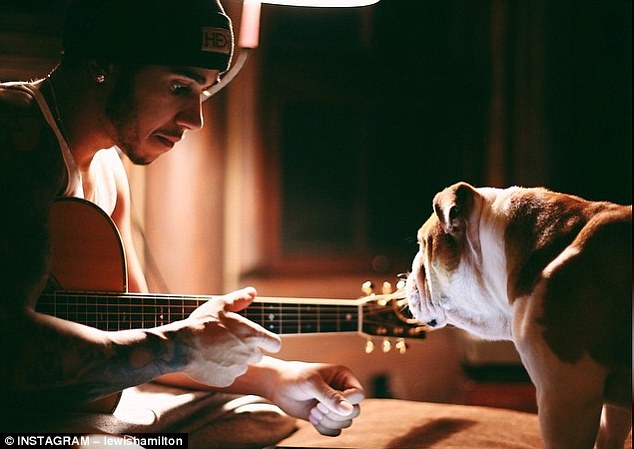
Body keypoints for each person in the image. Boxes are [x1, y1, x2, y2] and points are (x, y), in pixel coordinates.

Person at [0, 0, 364, 447]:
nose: (195, 119)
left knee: (260, 417)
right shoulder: (16, 135)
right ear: (102, 63)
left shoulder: (110, 171)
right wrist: (185, 344)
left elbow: (131, 336)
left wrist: (278, 379)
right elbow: (8, 346)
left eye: (204, 92)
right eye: (179, 87)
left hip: (58, 410)